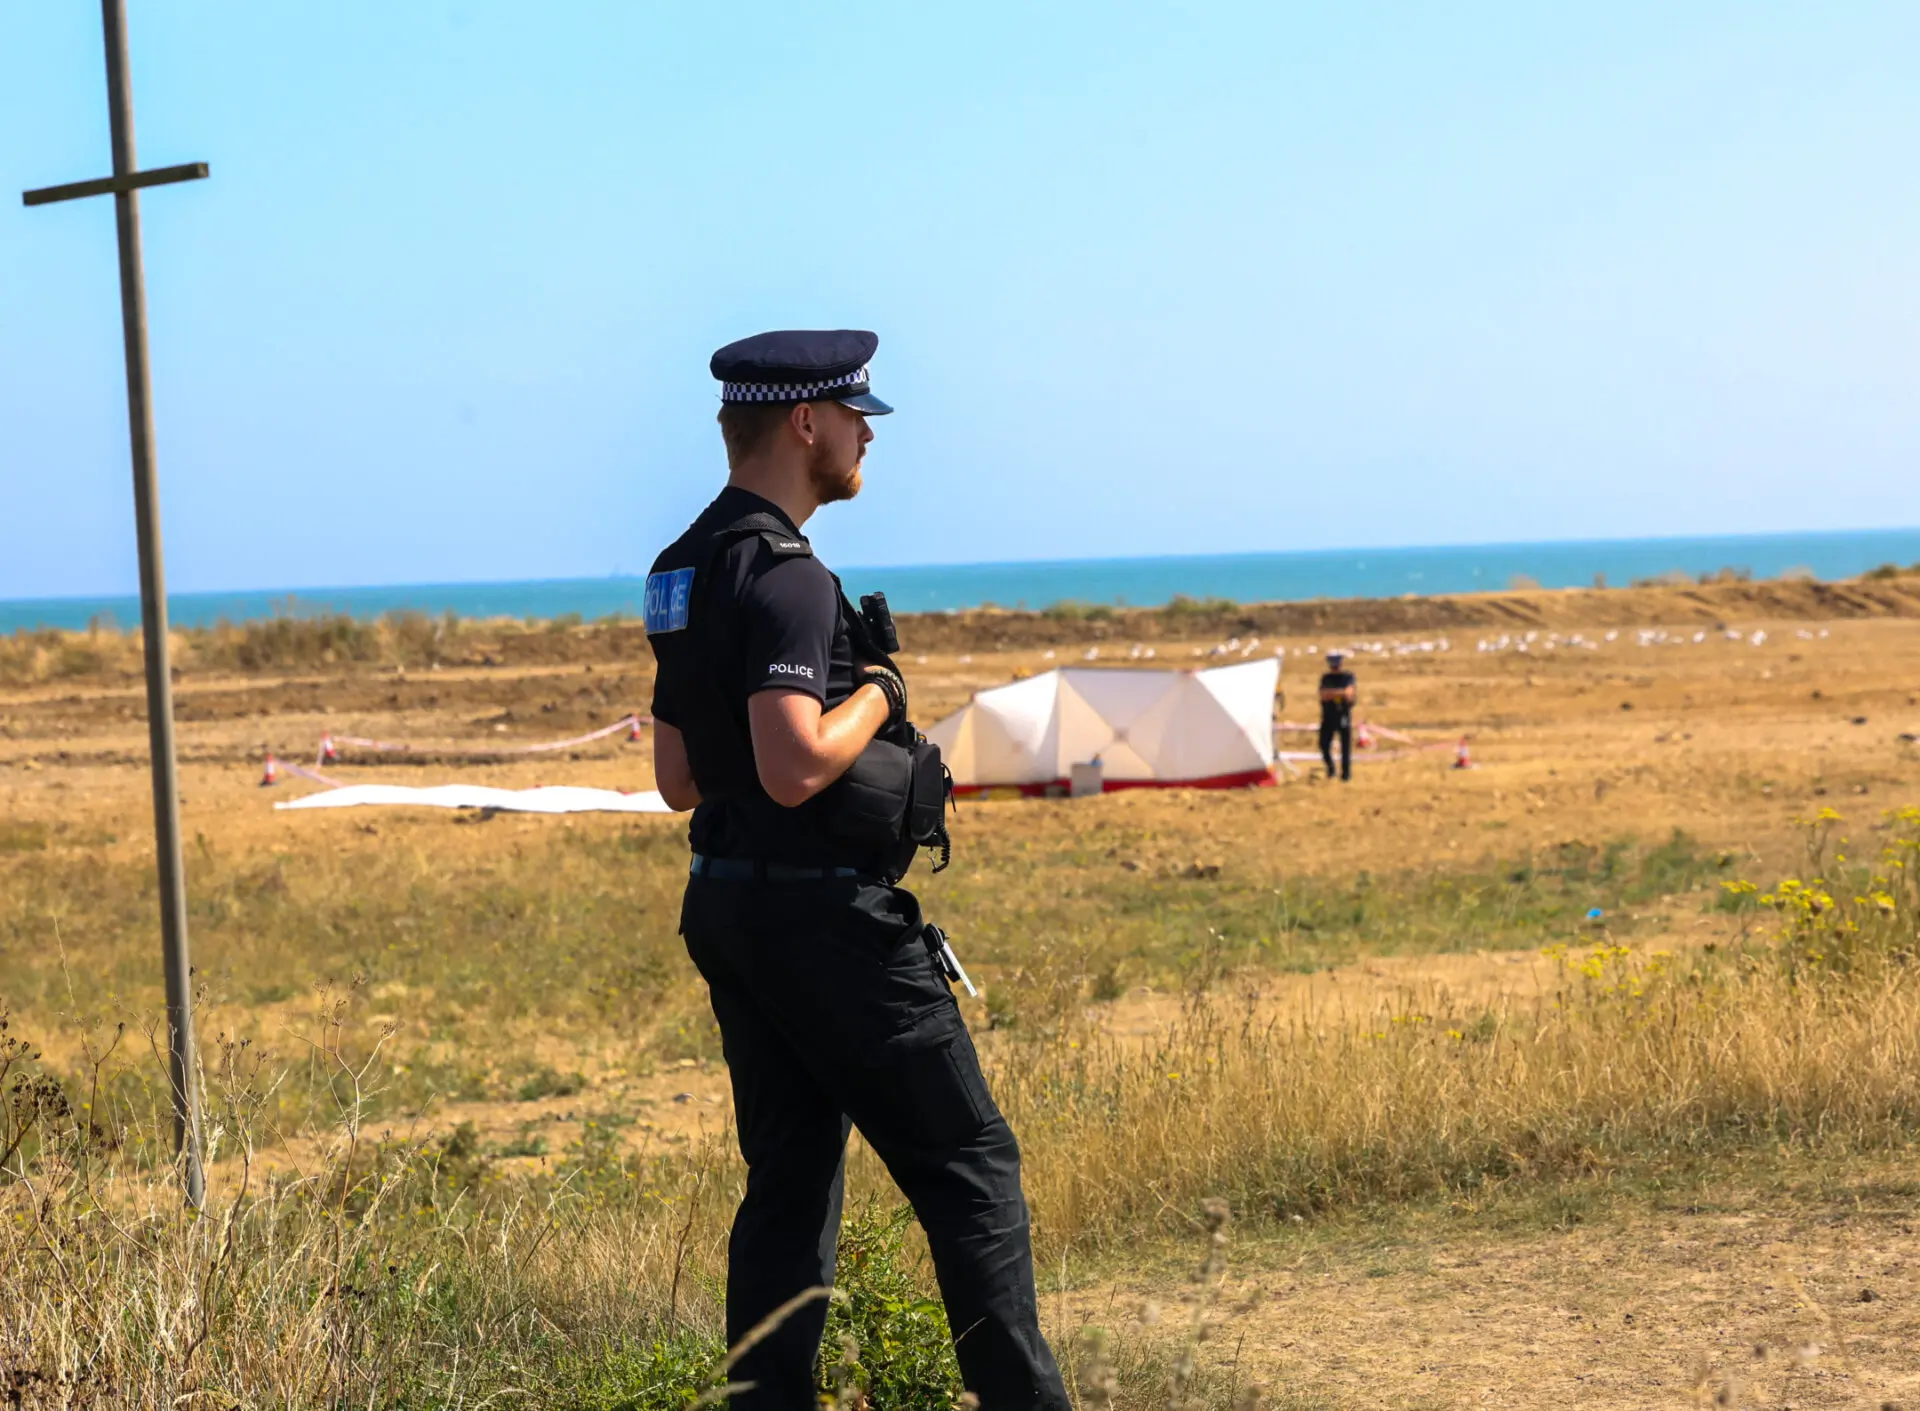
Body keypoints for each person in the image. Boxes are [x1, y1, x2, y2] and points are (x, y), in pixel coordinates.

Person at [644, 330, 1070, 1410]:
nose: (866, 435)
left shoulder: (678, 568)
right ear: (805, 422)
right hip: (830, 922)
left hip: (728, 906)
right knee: (971, 1165)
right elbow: (792, 765)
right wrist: (880, 688)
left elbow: (678, 778)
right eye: (853, 416)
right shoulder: (790, 574)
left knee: (788, 1188)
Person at [1318, 649, 1356, 781]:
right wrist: (1340, 693)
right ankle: (1331, 769)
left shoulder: (1348, 677)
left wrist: (1332, 694)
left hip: (1343, 714)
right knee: (1323, 744)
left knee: (1345, 746)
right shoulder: (1326, 678)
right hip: (1328, 715)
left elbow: (1349, 693)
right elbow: (1323, 695)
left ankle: (1346, 774)